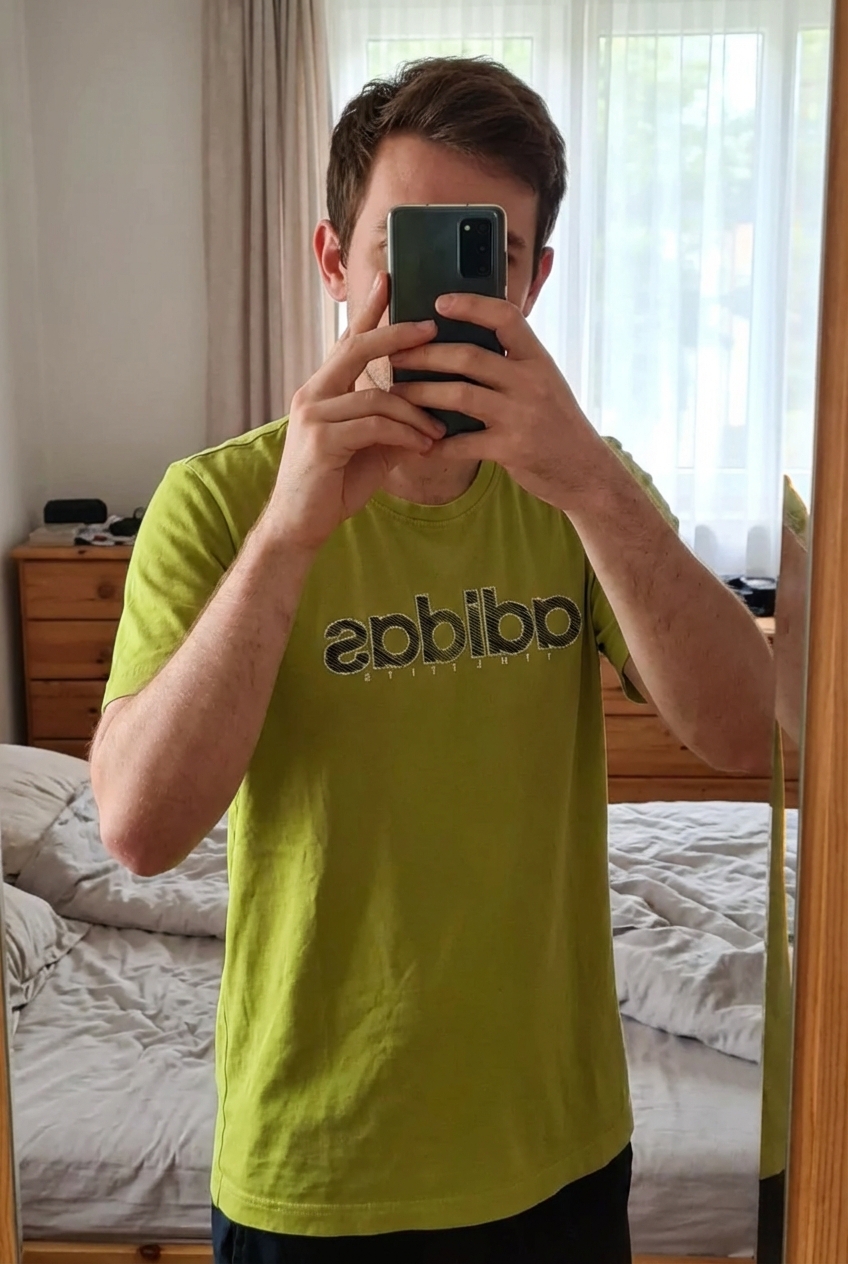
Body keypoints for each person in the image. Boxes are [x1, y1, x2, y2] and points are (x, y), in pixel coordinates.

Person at [90, 57, 774, 1264]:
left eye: (486, 258)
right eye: (404, 254)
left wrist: (589, 484)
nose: (446, 299)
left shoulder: (583, 487)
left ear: (532, 282)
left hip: (556, 1146)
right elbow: (140, 830)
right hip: (315, 1165)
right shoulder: (217, 502)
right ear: (333, 260)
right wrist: (288, 535)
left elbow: (742, 732)